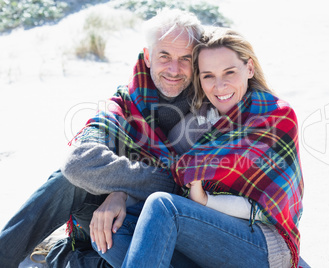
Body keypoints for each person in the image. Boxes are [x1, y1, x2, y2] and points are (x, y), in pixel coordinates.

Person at [0, 9, 203, 268]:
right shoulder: (123, 105)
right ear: (149, 56)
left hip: (173, 222)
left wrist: (124, 193)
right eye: (165, 56)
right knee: (67, 181)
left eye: (185, 58)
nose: (175, 69)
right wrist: (122, 190)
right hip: (107, 217)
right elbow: (79, 163)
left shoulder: (209, 106)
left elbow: (196, 189)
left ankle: (70, 258)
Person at [113, 27, 304, 268]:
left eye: (229, 72)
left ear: (250, 68)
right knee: (116, 228)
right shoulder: (199, 123)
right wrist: (118, 195)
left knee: (162, 206)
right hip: (206, 237)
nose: (219, 85)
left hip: (263, 244)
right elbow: (162, 167)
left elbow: (265, 209)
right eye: (208, 76)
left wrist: (205, 201)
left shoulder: (276, 116)